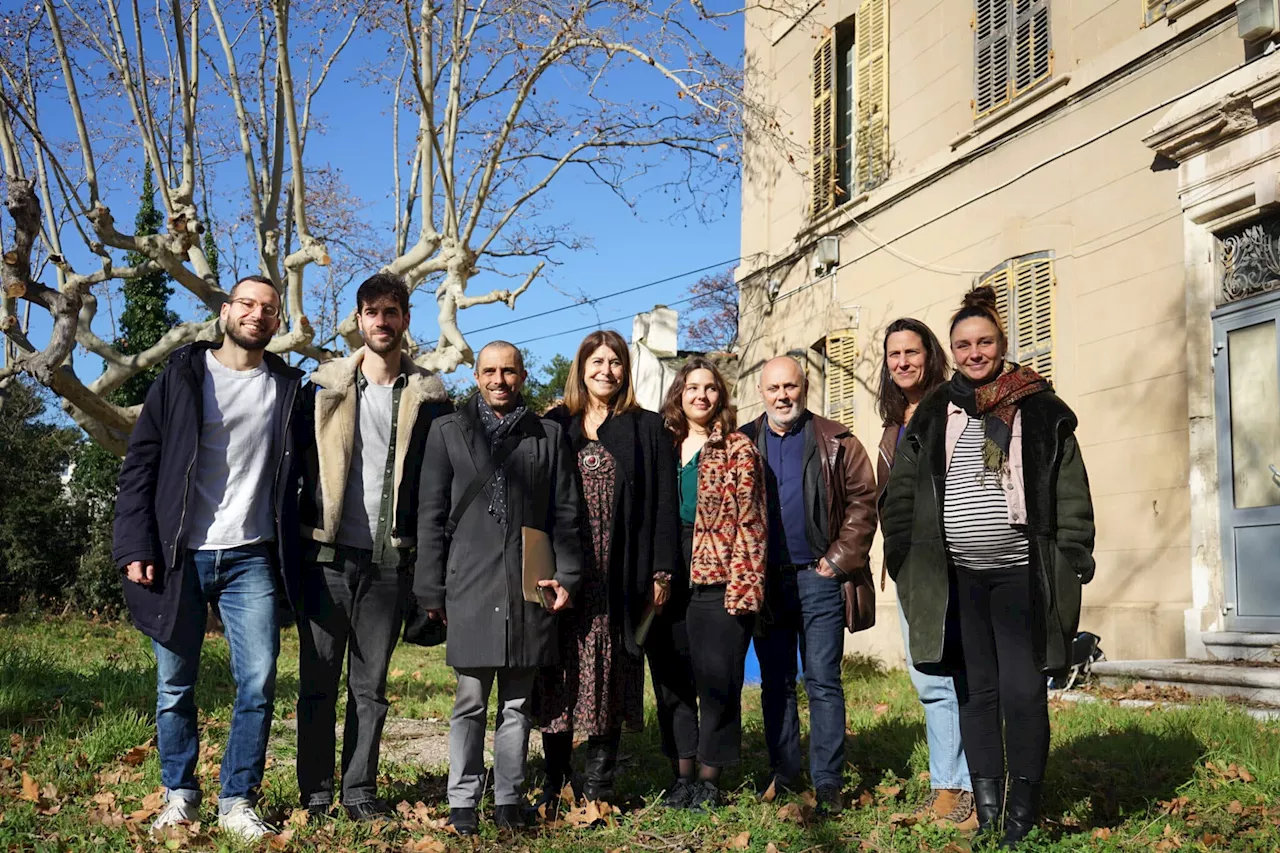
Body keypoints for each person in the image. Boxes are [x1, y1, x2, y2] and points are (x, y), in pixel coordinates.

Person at [881, 287, 1095, 847]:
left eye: (985, 342)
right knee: (976, 694)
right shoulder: (933, 413)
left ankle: (1022, 814)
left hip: (1023, 576)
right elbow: (901, 496)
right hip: (958, 581)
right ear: (951, 352)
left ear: (1002, 344)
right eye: (964, 345)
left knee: (1023, 692)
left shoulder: (1041, 408)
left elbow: (1071, 494)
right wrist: (903, 560)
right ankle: (990, 809)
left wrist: (1073, 557)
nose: (975, 353)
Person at [112, 275, 304, 840]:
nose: (258, 314)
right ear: (226, 311)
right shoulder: (181, 377)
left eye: (269, 308)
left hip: (251, 557)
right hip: (179, 556)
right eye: (247, 304)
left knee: (259, 681)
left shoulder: (289, 387)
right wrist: (134, 544)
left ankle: (237, 799)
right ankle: (181, 794)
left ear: (276, 321)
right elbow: (140, 466)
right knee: (175, 684)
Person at [294, 273, 453, 821]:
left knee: (371, 688)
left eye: (391, 311)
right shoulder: (322, 387)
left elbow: (442, 487)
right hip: (327, 558)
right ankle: (315, 794)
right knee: (317, 682)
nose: (381, 321)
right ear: (358, 320)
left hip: (390, 563)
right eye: (371, 312)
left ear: (406, 318)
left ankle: (358, 793)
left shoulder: (431, 397)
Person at [414, 341, 584, 836]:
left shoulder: (548, 436)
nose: (499, 380)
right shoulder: (447, 431)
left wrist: (567, 577)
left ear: (523, 376)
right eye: (489, 371)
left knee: (517, 705)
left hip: (528, 588)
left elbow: (568, 514)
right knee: (469, 701)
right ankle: (462, 801)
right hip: (468, 584)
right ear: (475, 374)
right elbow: (430, 515)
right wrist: (430, 590)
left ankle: (508, 799)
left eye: (508, 371)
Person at [535, 331, 679, 805]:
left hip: (621, 571)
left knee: (612, 671)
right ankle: (554, 781)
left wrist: (661, 571)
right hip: (565, 571)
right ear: (580, 368)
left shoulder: (647, 427)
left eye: (615, 362)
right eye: (596, 362)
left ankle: (599, 786)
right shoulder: (556, 423)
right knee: (561, 671)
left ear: (626, 370)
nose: (606, 371)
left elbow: (663, 503)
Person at [740, 356, 877, 816]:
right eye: (774, 387)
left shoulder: (837, 440)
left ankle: (828, 782)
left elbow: (863, 502)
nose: (783, 396)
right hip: (767, 583)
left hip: (819, 579)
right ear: (761, 392)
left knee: (822, 679)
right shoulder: (742, 441)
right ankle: (784, 772)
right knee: (775, 683)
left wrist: (835, 563)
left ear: (805, 388)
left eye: (791, 387)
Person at [874, 319, 975, 830]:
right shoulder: (893, 426)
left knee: (955, 677)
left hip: (955, 561)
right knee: (928, 678)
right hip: (913, 569)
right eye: (894, 355)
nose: (903, 362)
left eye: (912, 352)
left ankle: (967, 788)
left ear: (930, 355)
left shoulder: (950, 407)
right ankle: (947, 784)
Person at [658, 357, 766, 811]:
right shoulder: (663, 445)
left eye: (710, 388)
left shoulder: (738, 448)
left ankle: (709, 777)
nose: (701, 395)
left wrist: (743, 587)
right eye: (692, 387)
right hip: (666, 571)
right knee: (672, 679)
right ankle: (682, 774)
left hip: (719, 577)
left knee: (718, 681)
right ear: (679, 394)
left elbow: (753, 523)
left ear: (720, 396)